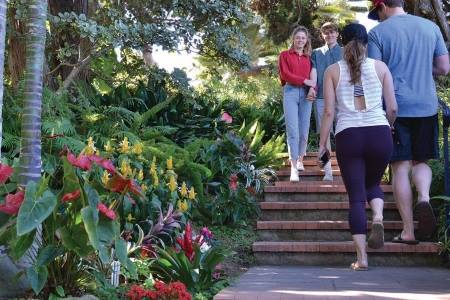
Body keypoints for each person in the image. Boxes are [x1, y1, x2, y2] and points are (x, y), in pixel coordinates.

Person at [367, 0, 450, 243]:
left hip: (396, 108)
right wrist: (424, 67)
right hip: (426, 105)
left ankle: (408, 231)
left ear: (382, 7)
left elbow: (375, 74)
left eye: (377, 13)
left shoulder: (378, 33)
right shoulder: (429, 27)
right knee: (421, 160)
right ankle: (423, 198)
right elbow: (444, 68)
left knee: (400, 167)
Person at [318, 23, 397, 270]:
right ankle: (379, 217)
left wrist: (323, 144)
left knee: (355, 198)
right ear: (366, 43)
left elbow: (329, 111)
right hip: (379, 134)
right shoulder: (381, 67)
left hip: (348, 136)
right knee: (373, 183)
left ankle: (362, 259)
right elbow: (392, 108)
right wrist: (389, 127)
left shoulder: (332, 70)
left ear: (342, 42)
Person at [279, 26, 316, 181]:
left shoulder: (309, 58)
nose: (300, 40)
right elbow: (285, 74)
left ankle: (300, 159)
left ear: (306, 40)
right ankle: (294, 166)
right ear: (293, 39)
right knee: (293, 130)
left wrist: (312, 88)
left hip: (306, 94)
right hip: (290, 93)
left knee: (304, 129)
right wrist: (305, 81)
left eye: (303, 38)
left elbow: (314, 79)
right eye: (297, 37)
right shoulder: (284, 55)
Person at [309, 22, 343, 181]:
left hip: (341, 98)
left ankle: (346, 167)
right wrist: (312, 89)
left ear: (337, 34)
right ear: (322, 35)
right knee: (324, 136)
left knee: (344, 133)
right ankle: (328, 171)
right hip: (321, 98)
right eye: (326, 33)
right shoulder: (316, 53)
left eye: (332, 32)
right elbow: (313, 73)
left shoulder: (344, 52)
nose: (329, 35)